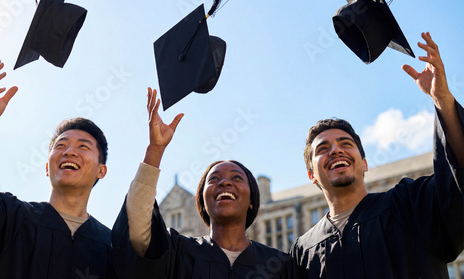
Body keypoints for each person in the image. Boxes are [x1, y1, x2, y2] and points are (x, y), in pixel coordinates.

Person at [291, 32, 463, 278]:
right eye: (322, 149)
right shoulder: (303, 252)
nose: (336, 150)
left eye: (345, 143)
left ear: (364, 163)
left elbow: (457, 185)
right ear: (311, 175)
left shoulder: (409, 206)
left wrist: (442, 99)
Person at [111, 88, 299, 278]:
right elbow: (137, 230)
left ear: (252, 199)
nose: (224, 182)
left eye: (236, 177)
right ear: (202, 202)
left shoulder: (281, 266)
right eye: (214, 179)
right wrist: (155, 150)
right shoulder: (179, 253)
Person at [0, 60, 116, 278]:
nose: (69, 151)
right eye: (61, 145)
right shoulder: (11, 218)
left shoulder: (111, 247)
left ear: (101, 171)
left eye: (83, 146)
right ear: (47, 167)